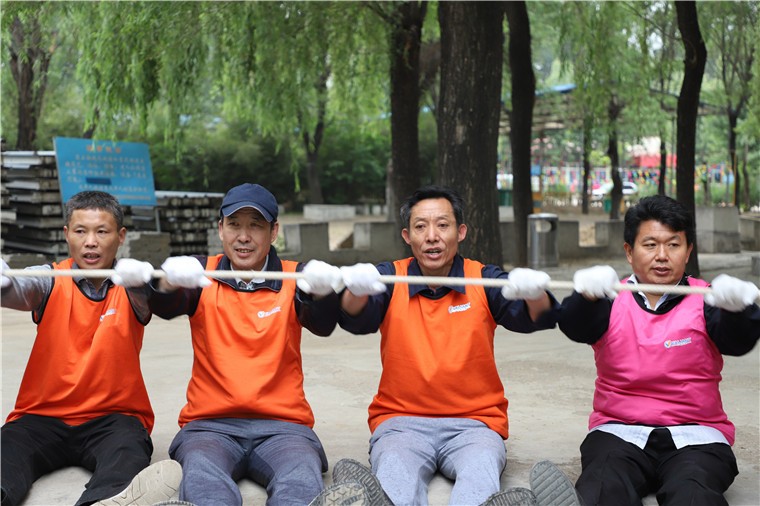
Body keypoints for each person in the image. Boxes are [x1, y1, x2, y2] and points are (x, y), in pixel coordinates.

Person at [325, 185, 574, 506]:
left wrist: (534, 293)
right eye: (421, 226)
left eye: (443, 225)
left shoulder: (482, 278)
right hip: (401, 423)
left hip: (475, 424)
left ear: (461, 232)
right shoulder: (389, 278)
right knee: (394, 482)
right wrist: (355, 290)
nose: (432, 236)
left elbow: (538, 318)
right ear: (407, 236)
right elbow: (355, 319)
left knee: (479, 480)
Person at [135, 183, 345, 506]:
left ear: (274, 232)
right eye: (234, 225)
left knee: (301, 476)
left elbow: (323, 323)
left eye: (255, 226)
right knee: (202, 475)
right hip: (210, 427)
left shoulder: (296, 277)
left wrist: (322, 291)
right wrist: (166, 281)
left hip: (284, 427)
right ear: (221, 229)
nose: (243, 237)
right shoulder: (199, 273)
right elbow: (164, 304)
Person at [557, 195, 760, 505]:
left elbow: (738, 341)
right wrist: (584, 297)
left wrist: (737, 311)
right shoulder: (608, 297)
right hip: (619, 432)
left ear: (688, 251)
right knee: (601, 487)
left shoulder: (709, 299)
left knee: (694, 494)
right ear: (629, 251)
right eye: (650, 245)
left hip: (697, 436)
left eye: (673, 245)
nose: (662, 256)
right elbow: (575, 325)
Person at [0, 191, 181, 506]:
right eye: (81, 231)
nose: (91, 242)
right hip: (41, 417)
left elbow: (157, 295)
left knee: (128, 454)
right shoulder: (50, 279)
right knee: (6, 452)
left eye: (102, 231)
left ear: (121, 236)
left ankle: (103, 502)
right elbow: (21, 288)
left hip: (113, 419)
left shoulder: (133, 283)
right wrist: (4, 284)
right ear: (66, 233)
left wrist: (156, 282)